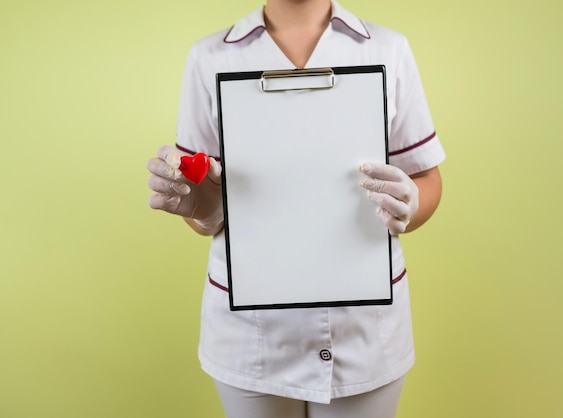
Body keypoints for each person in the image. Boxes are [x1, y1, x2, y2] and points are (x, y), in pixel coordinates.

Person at [146, 0, 445, 417]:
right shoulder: (209, 57)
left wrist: (410, 205)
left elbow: (426, 179)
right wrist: (202, 206)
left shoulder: (388, 49)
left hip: (364, 329)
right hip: (251, 337)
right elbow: (201, 207)